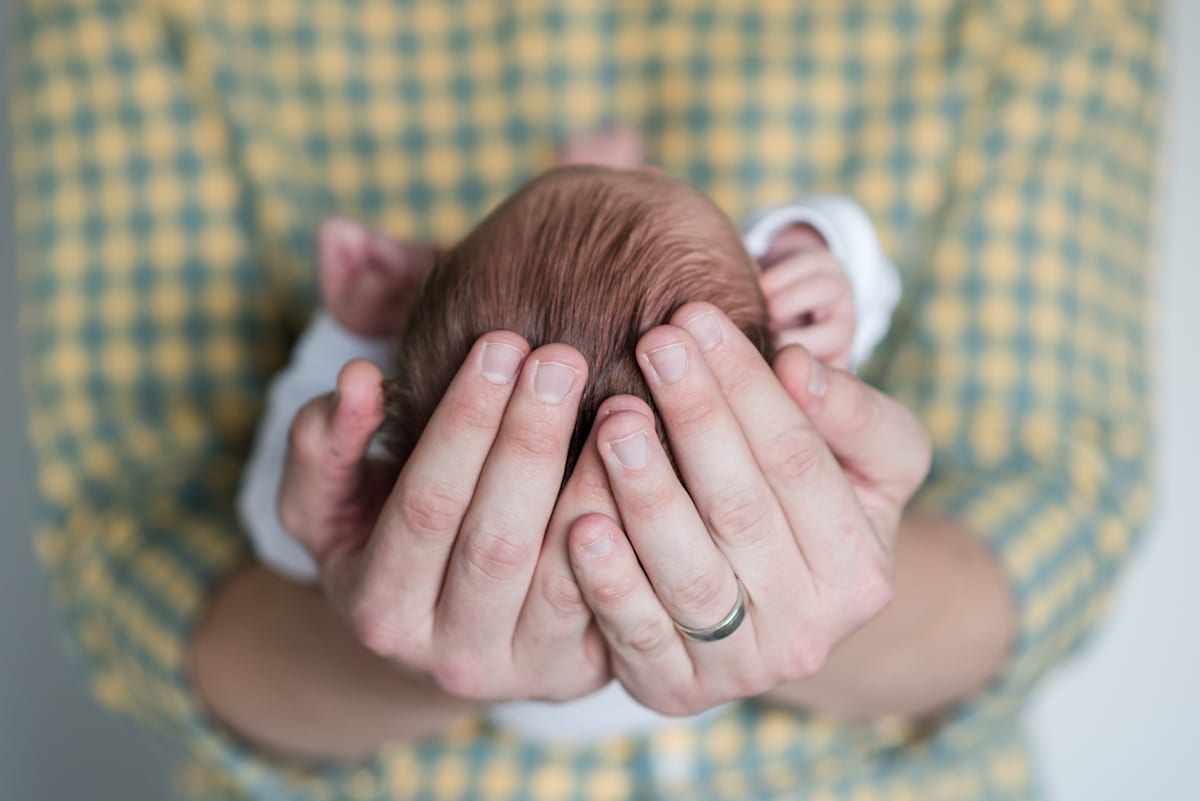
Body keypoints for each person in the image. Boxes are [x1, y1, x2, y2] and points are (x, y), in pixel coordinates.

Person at [10, 1, 1159, 799]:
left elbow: (279, 525)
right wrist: (837, 260)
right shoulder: (744, 363)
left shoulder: (403, 417)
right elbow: (135, 542)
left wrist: (342, 347)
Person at [237, 163, 900, 744]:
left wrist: (345, 332)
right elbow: (859, 296)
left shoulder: (404, 459)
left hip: (490, 705)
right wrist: (817, 252)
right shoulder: (761, 421)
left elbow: (280, 523)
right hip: (719, 687)